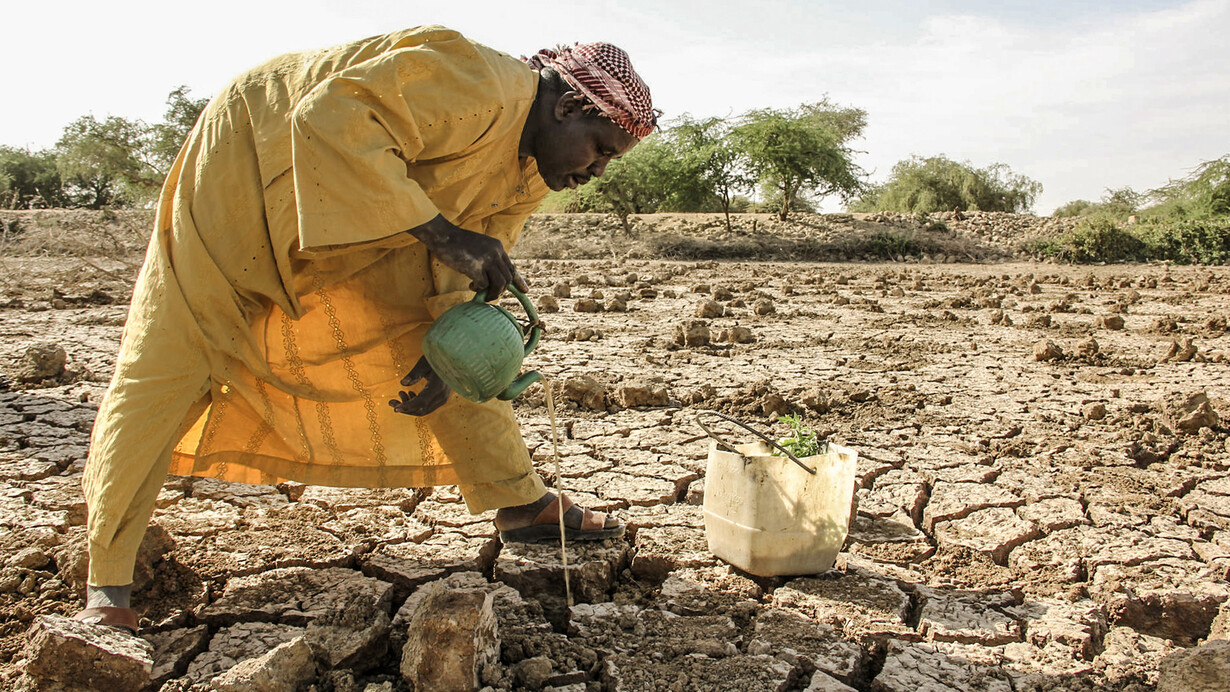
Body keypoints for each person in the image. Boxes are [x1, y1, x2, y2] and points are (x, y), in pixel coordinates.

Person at [73, 25, 658, 634]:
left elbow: (471, 273)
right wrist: (443, 234)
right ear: (564, 106)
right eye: (600, 148)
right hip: (254, 165)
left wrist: (447, 352)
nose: (598, 171)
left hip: (372, 208)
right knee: (173, 357)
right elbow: (327, 118)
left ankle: (520, 503)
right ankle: (108, 580)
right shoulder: (476, 81)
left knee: (455, 341)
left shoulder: (536, 167)